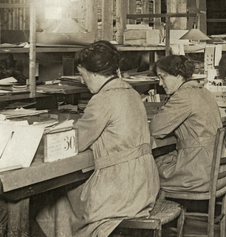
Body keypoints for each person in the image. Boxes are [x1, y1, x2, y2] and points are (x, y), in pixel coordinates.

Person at [37, 40, 160, 237]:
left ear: (92, 72)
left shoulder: (102, 99)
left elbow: (76, 142)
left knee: (51, 204)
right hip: (145, 185)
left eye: (82, 75)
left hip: (120, 191)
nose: (83, 81)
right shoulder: (132, 93)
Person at [150, 55, 223, 193]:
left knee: (147, 170)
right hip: (216, 169)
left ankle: (160, 212)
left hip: (198, 173)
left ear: (178, 75)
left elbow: (155, 129)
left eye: (162, 77)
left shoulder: (183, 96)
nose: (160, 83)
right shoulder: (204, 91)